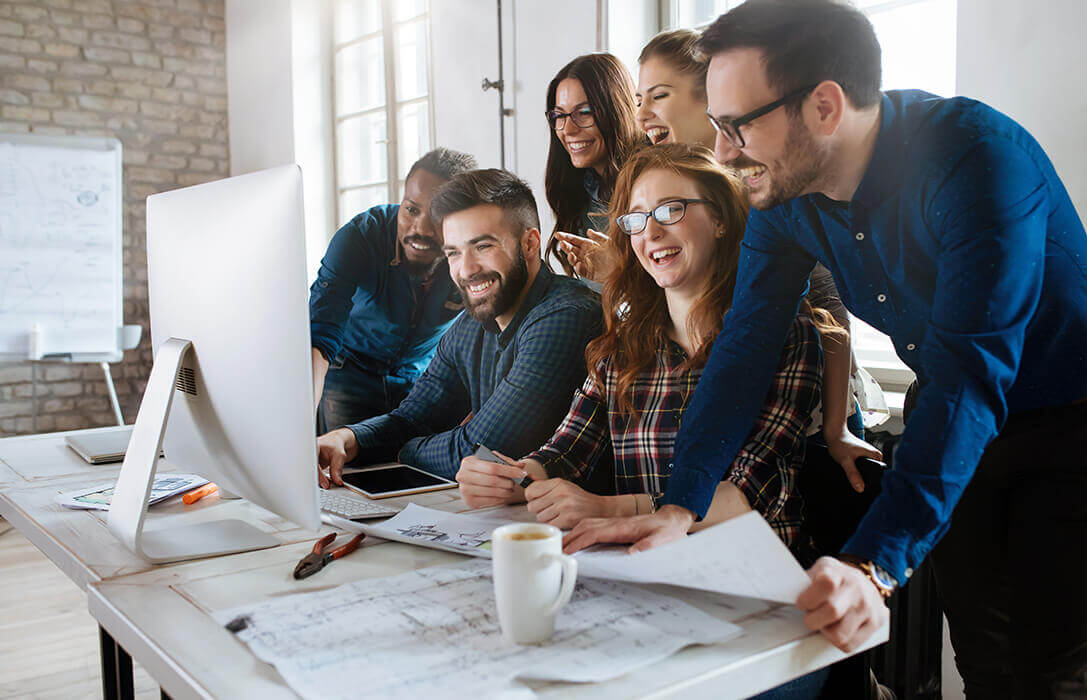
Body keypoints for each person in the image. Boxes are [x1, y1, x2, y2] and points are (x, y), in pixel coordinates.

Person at [565, 2, 1087, 698]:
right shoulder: (782, 196)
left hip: (1067, 420)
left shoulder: (976, 161)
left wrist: (872, 566)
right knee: (985, 657)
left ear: (823, 105)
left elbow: (971, 373)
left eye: (737, 125)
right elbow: (743, 348)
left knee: (1052, 667)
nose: (721, 151)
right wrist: (679, 504)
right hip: (952, 411)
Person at [458, 143, 834, 699]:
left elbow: (751, 489)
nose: (650, 233)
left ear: (724, 221)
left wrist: (611, 509)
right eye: (637, 219)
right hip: (645, 591)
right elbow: (567, 449)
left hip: (760, 608)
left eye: (671, 210)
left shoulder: (784, 332)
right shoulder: (621, 346)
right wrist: (511, 476)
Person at [315, 169, 603, 485]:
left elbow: (478, 452)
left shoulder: (567, 315)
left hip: (573, 524)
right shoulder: (472, 323)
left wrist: (402, 451)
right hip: (500, 518)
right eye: (453, 252)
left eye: (483, 247)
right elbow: (413, 418)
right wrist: (347, 439)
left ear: (530, 244)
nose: (465, 270)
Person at [310, 148, 477, 433]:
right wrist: (302, 424)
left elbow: (496, 328)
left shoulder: (474, 252)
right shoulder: (360, 237)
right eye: (411, 209)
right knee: (348, 472)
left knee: (423, 471)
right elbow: (320, 334)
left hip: (420, 379)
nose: (420, 229)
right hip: (348, 373)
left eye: (437, 215)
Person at [544, 53, 647, 277]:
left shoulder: (652, 188)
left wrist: (620, 274)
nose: (568, 130)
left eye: (584, 113)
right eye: (559, 116)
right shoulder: (580, 190)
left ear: (618, 110)